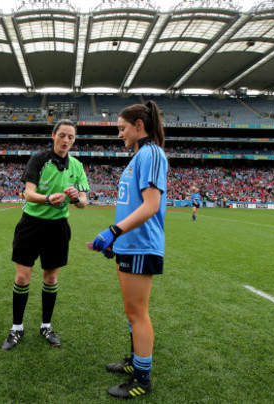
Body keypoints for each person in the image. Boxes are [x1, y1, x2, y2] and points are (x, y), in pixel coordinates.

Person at [90, 100, 168, 399]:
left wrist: (113, 232)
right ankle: (136, 360)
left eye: (122, 128)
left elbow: (151, 205)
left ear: (139, 125)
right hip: (129, 243)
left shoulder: (151, 153)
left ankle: (142, 379)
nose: (119, 134)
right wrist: (116, 240)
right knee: (131, 312)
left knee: (138, 313)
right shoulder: (139, 155)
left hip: (142, 244)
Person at [1, 119, 89, 351]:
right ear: (53, 135)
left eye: (71, 137)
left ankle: (46, 326)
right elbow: (28, 193)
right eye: (62, 135)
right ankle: (16, 327)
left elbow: (84, 203)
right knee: (22, 277)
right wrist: (48, 198)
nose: (66, 140)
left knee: (51, 278)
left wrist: (75, 198)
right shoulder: (39, 159)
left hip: (58, 227)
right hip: (31, 224)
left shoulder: (77, 166)